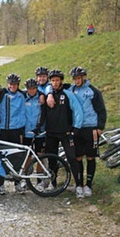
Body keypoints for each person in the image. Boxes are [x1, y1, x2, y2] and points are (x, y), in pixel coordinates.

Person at [35, 69, 84, 197]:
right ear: (50, 82)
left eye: (57, 80)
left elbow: (78, 111)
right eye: (53, 80)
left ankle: (79, 185)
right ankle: (54, 183)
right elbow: (43, 114)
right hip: (51, 132)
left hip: (66, 132)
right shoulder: (46, 94)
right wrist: (38, 127)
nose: (55, 83)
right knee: (52, 158)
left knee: (72, 158)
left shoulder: (67, 94)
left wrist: (76, 128)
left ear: (61, 81)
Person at [69, 66, 107, 198]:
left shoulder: (93, 91)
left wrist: (100, 127)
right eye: (74, 78)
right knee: (78, 157)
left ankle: (88, 185)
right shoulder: (71, 89)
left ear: (83, 77)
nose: (77, 80)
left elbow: (101, 110)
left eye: (79, 78)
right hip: (77, 128)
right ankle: (79, 184)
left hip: (91, 128)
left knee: (90, 157)